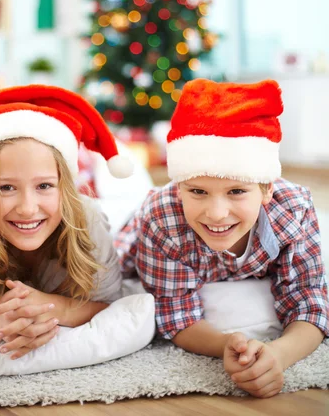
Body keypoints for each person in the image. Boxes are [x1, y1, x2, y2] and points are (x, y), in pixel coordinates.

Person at [115, 78, 329, 398]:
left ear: (267, 188)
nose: (217, 213)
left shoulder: (294, 210)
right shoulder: (160, 218)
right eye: (197, 191)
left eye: (237, 192)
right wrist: (225, 344)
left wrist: (280, 355)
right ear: (179, 187)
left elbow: (308, 300)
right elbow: (175, 314)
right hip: (140, 254)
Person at [0, 84, 133, 360]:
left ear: (66, 188)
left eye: (45, 186)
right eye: (6, 188)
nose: (27, 209)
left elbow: (109, 304)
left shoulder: (87, 217)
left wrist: (51, 307)